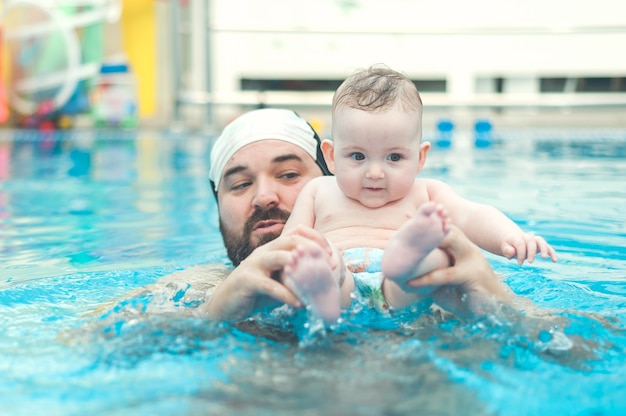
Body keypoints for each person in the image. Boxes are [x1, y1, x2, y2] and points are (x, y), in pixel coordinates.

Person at [279, 65, 557, 324]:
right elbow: (289, 242)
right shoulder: (317, 190)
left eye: (395, 157)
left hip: (401, 285)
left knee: (434, 259)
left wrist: (510, 237)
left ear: (420, 158)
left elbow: (472, 215)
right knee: (322, 265)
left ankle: (409, 259)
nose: (375, 172)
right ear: (331, 156)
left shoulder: (426, 192)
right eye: (358, 156)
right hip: (341, 277)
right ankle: (323, 292)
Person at [195, 107, 513, 324]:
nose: (265, 196)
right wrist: (214, 313)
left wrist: (495, 304)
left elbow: (555, 345)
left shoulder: (458, 275)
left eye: (289, 175)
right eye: (240, 183)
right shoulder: (198, 291)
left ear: (329, 176)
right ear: (217, 205)